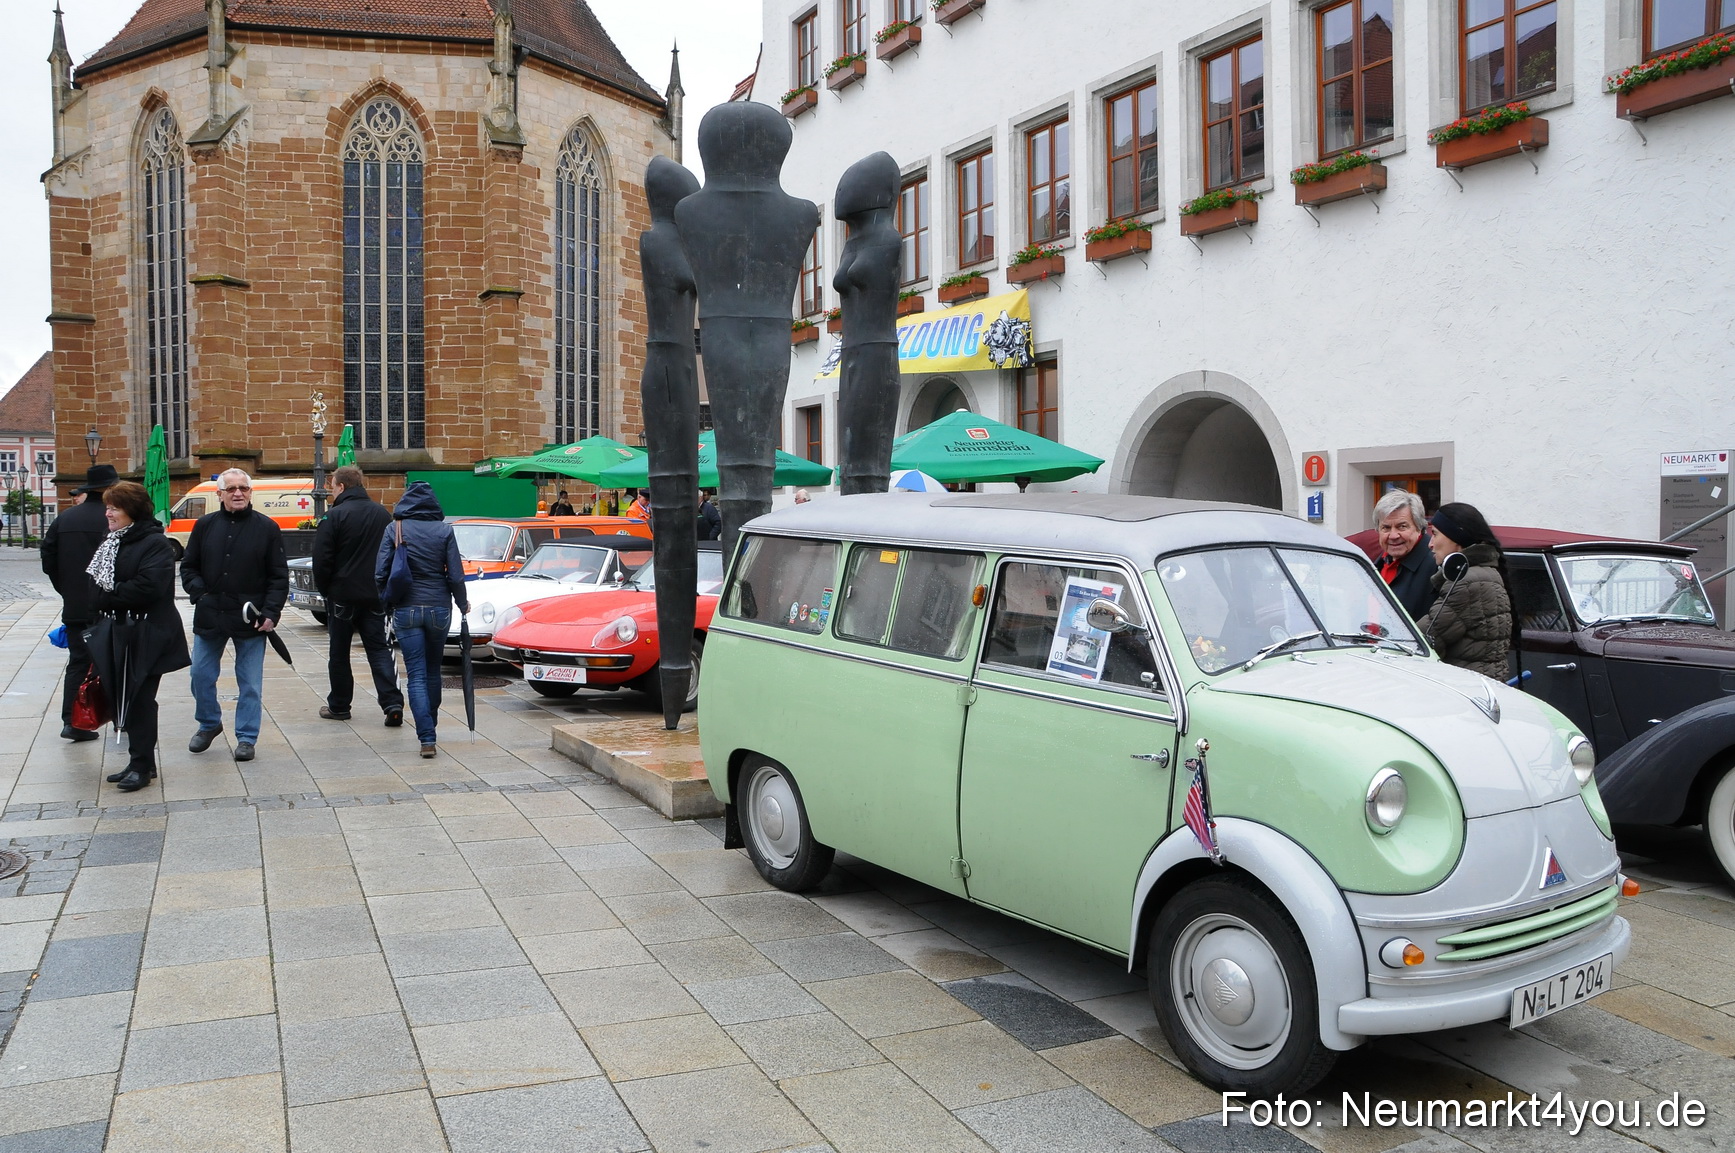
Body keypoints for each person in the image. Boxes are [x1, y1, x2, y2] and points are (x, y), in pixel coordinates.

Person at [86, 482, 190, 791]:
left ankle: (141, 765)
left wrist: (110, 595)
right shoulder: (112, 541)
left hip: (149, 633)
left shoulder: (154, 543)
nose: (108, 513)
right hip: (119, 631)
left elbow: (149, 587)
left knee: (141, 698)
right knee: (123, 697)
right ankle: (141, 760)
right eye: (108, 507)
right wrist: (108, 596)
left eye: (114, 508)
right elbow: (93, 585)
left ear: (132, 511)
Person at [182, 468, 288, 762]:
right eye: (231, 489)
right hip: (211, 613)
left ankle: (246, 736)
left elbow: (278, 576)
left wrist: (271, 612)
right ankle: (208, 723)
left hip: (249, 618)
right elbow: (188, 566)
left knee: (250, 683)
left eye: (243, 488)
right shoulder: (204, 526)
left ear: (251, 492)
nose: (238, 493)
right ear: (220, 494)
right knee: (200, 675)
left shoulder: (267, 528)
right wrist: (200, 592)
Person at [377, 482, 469, 758]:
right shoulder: (444, 530)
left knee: (415, 674)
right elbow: (455, 575)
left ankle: (426, 737)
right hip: (439, 607)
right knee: (433, 670)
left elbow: (380, 572)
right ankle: (430, 721)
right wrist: (462, 604)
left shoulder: (395, 529)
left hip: (406, 608)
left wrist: (386, 602)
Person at [311, 465, 403, 727]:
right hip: (375, 595)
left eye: (331, 487)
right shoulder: (381, 514)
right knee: (379, 649)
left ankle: (339, 705)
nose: (329, 491)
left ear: (340, 486)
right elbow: (392, 554)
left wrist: (325, 590)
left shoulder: (334, 516)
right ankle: (392, 703)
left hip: (342, 595)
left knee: (339, 652)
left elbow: (322, 559)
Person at [41, 463, 117, 741]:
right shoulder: (117, 519)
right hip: (111, 605)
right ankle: (121, 720)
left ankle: (72, 722)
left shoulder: (65, 519)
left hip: (75, 606)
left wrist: (67, 590)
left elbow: (48, 560)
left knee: (77, 663)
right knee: (115, 662)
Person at [1418, 502, 1514, 681]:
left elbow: (1423, 642)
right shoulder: (1484, 573)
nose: (1430, 544)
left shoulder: (1467, 582)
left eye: (1435, 534)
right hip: (1481, 685)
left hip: (1467, 690)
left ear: (1457, 538)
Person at [1371, 490, 1439, 621]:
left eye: (1402, 526)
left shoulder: (1436, 566)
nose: (1393, 535)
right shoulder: (1377, 565)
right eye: (1386, 528)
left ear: (1419, 527)